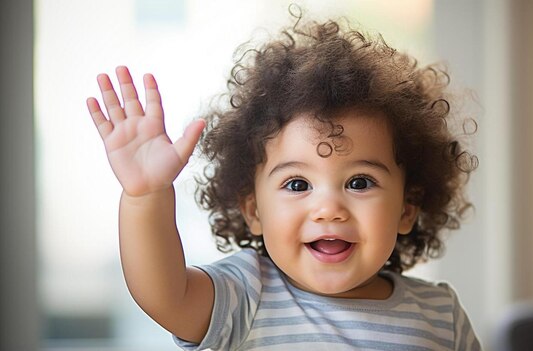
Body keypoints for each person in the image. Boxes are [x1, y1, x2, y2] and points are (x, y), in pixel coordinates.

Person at [87, 9, 481, 351]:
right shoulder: (248, 295)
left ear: (406, 209)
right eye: (298, 184)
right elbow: (164, 296)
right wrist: (146, 196)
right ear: (254, 211)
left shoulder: (440, 315)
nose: (328, 209)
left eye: (360, 182)